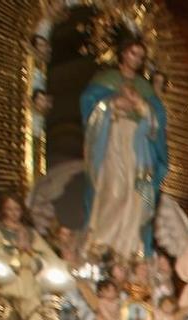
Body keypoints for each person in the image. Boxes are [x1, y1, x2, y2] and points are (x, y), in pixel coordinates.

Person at [80, 34, 167, 258]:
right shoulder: (105, 79)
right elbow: (88, 105)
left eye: (141, 56)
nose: (137, 59)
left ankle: (132, 250)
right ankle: (102, 245)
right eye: (133, 53)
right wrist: (111, 104)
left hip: (139, 150)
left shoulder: (144, 88)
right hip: (113, 141)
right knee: (114, 190)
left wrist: (142, 106)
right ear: (122, 53)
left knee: (138, 195)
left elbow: (158, 119)